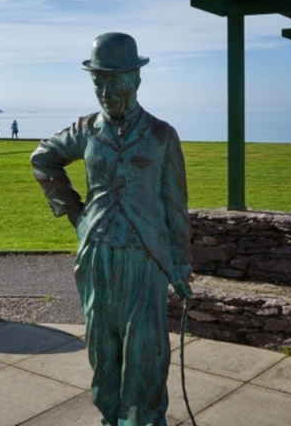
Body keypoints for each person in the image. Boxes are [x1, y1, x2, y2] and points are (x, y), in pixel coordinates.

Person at [31, 32, 192, 426]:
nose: (106, 92)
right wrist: (76, 213)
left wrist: (181, 262)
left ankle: (144, 419)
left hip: (145, 257)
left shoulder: (161, 135)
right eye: (98, 82)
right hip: (98, 255)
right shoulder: (86, 130)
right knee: (102, 348)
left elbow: (175, 204)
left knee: (146, 350)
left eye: (115, 82)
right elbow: (43, 159)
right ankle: (111, 416)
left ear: (136, 79)